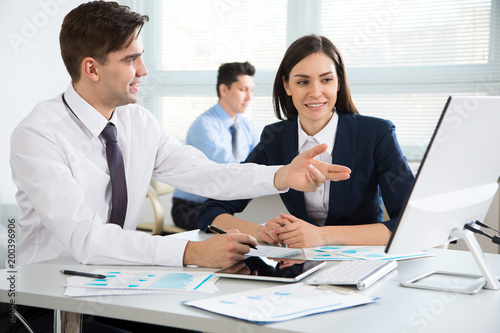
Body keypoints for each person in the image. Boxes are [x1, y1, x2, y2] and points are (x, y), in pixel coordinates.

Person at [6, 3, 350, 332]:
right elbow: (87, 239)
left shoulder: (137, 121)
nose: (143, 70)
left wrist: (281, 175)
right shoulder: (38, 135)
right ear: (91, 68)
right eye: (131, 60)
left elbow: (206, 174)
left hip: (115, 286)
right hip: (45, 304)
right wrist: (191, 252)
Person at [198, 34, 415, 248]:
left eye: (326, 80)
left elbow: (409, 223)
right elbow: (211, 210)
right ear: (287, 86)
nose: (315, 92)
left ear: (338, 83)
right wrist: (260, 231)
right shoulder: (275, 138)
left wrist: (322, 236)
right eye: (302, 82)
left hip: (365, 263)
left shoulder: (377, 134)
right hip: (304, 266)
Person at [172, 62, 259, 230]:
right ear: (224, 90)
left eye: (252, 90)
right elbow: (228, 169)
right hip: (189, 207)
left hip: (220, 205)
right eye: (243, 90)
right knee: (238, 234)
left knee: (249, 233)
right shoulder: (204, 126)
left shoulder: (247, 126)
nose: (249, 97)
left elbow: (260, 160)